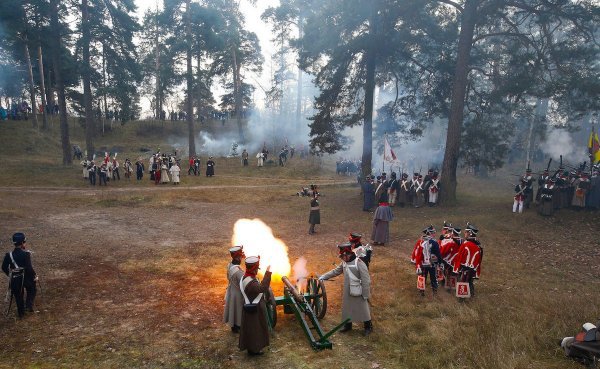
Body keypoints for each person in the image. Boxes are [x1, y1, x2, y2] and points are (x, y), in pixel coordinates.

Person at [318, 243, 372, 336]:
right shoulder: (344, 262)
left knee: (363, 309)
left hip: (358, 290)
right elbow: (336, 271)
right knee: (347, 308)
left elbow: (366, 280)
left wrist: (365, 294)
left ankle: (368, 327)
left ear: (348, 254)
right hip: (347, 289)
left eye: (343, 256)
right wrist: (324, 276)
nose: (342, 258)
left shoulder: (359, 263)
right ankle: (348, 325)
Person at [238, 256, 272, 355]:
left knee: (250, 329)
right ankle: (255, 349)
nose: (257, 270)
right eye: (257, 268)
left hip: (250, 306)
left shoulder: (246, 277)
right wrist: (268, 273)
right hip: (254, 308)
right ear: (253, 269)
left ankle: (251, 347)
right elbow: (263, 288)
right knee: (255, 329)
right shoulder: (251, 282)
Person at [2, 232, 37, 318]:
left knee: (18, 296)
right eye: (24, 242)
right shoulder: (26, 254)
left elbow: (3, 267)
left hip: (15, 279)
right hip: (26, 278)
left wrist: (10, 274)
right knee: (32, 288)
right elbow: (29, 268)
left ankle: (21, 313)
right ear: (22, 243)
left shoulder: (8, 255)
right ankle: (28, 306)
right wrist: (35, 276)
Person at [452, 223, 483, 296]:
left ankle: (462, 300)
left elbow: (459, 257)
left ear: (470, 233)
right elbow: (479, 260)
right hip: (473, 269)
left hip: (464, 268)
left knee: (462, 283)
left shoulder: (466, 244)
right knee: (470, 282)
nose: (464, 233)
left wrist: (456, 269)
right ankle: (471, 296)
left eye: (466, 232)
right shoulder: (478, 246)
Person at [414, 225, 442, 296]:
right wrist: (440, 263)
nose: (434, 234)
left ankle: (421, 293)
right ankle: (434, 293)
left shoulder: (421, 242)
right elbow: (438, 254)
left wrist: (418, 265)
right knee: (433, 278)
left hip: (424, 264)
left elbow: (418, 255)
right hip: (432, 264)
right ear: (430, 233)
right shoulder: (435, 243)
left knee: (423, 278)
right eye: (433, 233)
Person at [224, 246, 245, 333]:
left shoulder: (229, 265)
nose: (241, 258)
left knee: (233, 309)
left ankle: (233, 326)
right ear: (237, 257)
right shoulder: (238, 271)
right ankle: (238, 326)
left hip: (231, 290)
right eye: (240, 257)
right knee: (238, 310)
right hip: (237, 293)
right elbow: (243, 283)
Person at [371, 180, 392, 246]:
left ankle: (376, 242)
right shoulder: (388, 207)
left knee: (377, 232)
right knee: (384, 232)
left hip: (379, 222)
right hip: (385, 223)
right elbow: (390, 216)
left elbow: (376, 217)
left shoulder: (379, 208)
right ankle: (382, 242)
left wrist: (375, 222)